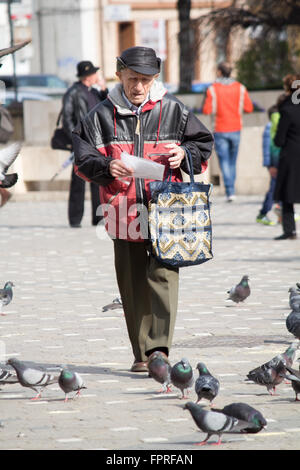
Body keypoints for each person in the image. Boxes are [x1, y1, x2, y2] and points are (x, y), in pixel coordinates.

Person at [72, 46, 214, 372]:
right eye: (133, 78)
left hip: (168, 209)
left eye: (146, 80)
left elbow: (202, 143)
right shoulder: (98, 116)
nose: (138, 86)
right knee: (133, 282)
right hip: (122, 211)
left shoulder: (175, 111)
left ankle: (159, 350)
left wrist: (185, 155)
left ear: (155, 78)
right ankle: (141, 353)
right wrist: (107, 166)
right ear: (118, 73)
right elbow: (82, 159)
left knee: (164, 275)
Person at [62, 60, 108, 227]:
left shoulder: (94, 92)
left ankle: (99, 217)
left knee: (97, 179)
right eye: (95, 73)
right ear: (88, 75)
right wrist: (76, 139)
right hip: (81, 142)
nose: (97, 75)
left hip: (96, 143)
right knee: (78, 182)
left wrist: (104, 90)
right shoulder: (73, 92)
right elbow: (67, 119)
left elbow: (106, 109)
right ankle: (75, 220)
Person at [202, 61, 253, 202]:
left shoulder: (212, 89)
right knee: (232, 161)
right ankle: (232, 190)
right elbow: (249, 108)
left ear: (219, 72)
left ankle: (230, 191)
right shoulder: (240, 88)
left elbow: (206, 110)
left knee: (224, 161)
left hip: (220, 129)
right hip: (236, 128)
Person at [273, 74, 300, 240]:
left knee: (287, 194)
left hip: (291, 155)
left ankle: (290, 231)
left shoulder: (287, 109)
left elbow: (279, 140)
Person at [256, 103, 282, 225]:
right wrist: (269, 165)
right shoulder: (269, 128)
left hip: (279, 162)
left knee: (280, 187)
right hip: (274, 164)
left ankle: (281, 210)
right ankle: (263, 213)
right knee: (273, 188)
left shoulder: (277, 127)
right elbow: (266, 149)